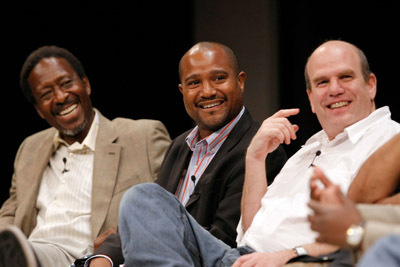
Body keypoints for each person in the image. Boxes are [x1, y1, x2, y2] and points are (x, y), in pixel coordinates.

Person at [114, 39, 400, 267]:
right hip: (243, 257)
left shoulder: (390, 142)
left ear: (371, 85)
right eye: (322, 83)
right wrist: (255, 157)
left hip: (295, 262)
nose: (334, 90)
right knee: (142, 197)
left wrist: (289, 255)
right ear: (311, 99)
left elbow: (374, 231)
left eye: (345, 77)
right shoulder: (311, 147)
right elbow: (251, 232)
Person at [86, 42, 288, 266]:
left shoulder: (261, 151)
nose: (208, 91)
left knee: (138, 195)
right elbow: (156, 218)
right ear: (182, 91)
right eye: (194, 83)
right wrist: (105, 256)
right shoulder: (179, 145)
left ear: (240, 82)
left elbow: (226, 241)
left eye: (219, 78)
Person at [0, 45, 172, 267]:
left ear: (86, 84)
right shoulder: (30, 148)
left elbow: (174, 206)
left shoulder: (142, 136)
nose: (61, 97)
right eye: (46, 94)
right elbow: (10, 215)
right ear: (39, 110)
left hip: (90, 257)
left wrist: (122, 239)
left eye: (66, 84)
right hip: (34, 251)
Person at [307, 133, 400, 266]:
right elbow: (364, 202)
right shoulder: (308, 146)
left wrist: (358, 231)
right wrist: (339, 213)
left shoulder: (386, 132)